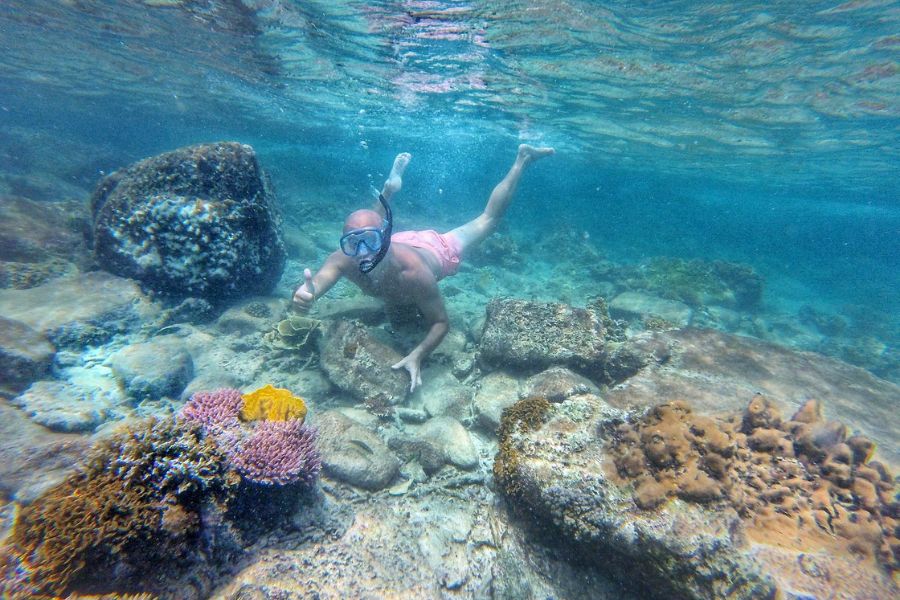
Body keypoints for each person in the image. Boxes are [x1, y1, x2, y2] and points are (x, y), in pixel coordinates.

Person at [293, 144, 555, 392]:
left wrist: (417, 355)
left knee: (488, 220)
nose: (362, 254)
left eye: (370, 242)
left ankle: (522, 159)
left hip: (436, 249)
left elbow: (441, 323)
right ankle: (389, 188)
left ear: (385, 237)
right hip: (397, 243)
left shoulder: (415, 274)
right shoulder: (346, 257)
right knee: (367, 228)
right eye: (353, 244)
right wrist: (310, 293)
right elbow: (322, 277)